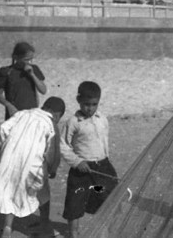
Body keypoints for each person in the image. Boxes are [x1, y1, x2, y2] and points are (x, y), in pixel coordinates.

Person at [0, 96, 65, 238]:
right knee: (44, 191)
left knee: (10, 191)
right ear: (57, 115)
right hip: (32, 168)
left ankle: (7, 228)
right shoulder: (51, 124)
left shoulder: (22, 113)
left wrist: (5, 150)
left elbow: (3, 128)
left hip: (9, 163)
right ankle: (44, 224)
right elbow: (53, 154)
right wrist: (52, 170)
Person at [60, 81, 118, 238]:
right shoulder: (73, 122)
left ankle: (103, 232)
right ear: (78, 100)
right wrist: (77, 162)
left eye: (94, 104)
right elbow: (63, 145)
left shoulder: (102, 119)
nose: (90, 108)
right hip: (82, 168)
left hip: (102, 165)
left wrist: (105, 161)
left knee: (107, 199)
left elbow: (103, 142)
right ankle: (74, 233)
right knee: (75, 201)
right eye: (86, 104)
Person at [0, 42, 47, 120]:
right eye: (26, 59)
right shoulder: (6, 72)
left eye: (31, 59)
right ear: (16, 57)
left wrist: (32, 75)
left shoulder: (34, 69)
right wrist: (9, 106)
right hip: (15, 114)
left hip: (31, 114)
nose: (29, 62)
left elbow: (43, 90)